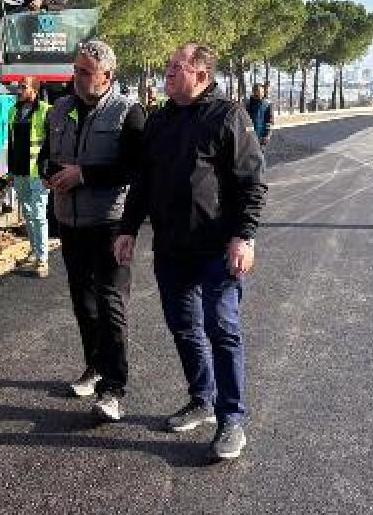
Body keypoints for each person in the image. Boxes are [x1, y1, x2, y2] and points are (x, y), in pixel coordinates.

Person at [114, 43, 267, 461]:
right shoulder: (160, 120)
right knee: (184, 328)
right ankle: (201, 398)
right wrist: (128, 229)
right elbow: (143, 183)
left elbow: (251, 184)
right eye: (167, 67)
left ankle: (231, 420)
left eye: (176, 67)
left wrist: (244, 236)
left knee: (223, 328)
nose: (167, 72)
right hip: (171, 249)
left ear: (200, 74)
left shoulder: (228, 116)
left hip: (217, 249)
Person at [38, 40, 145, 422]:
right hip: (71, 223)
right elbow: (44, 158)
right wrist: (49, 174)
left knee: (111, 304)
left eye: (86, 72)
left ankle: (114, 389)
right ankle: (94, 367)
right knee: (83, 303)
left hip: (110, 224)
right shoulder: (61, 109)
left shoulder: (128, 112)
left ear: (107, 76)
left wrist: (83, 175)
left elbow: (136, 169)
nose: (78, 78)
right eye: (76, 69)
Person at [8, 77, 50, 277]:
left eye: (23, 87)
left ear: (34, 90)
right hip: (20, 172)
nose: (19, 90)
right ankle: (34, 252)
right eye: (19, 87)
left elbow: (51, 144)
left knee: (39, 215)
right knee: (28, 214)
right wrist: (10, 171)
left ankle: (42, 260)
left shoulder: (45, 111)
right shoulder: (13, 111)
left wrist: (47, 170)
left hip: (37, 173)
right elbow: (12, 144)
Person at [245, 82, 274, 171]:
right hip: (249, 136)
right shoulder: (248, 104)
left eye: (260, 92)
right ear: (253, 92)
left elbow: (270, 121)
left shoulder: (267, 104)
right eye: (256, 92)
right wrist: (246, 134)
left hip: (262, 136)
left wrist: (267, 135)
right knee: (249, 157)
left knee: (259, 157)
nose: (258, 94)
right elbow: (245, 120)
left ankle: (260, 175)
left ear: (263, 92)